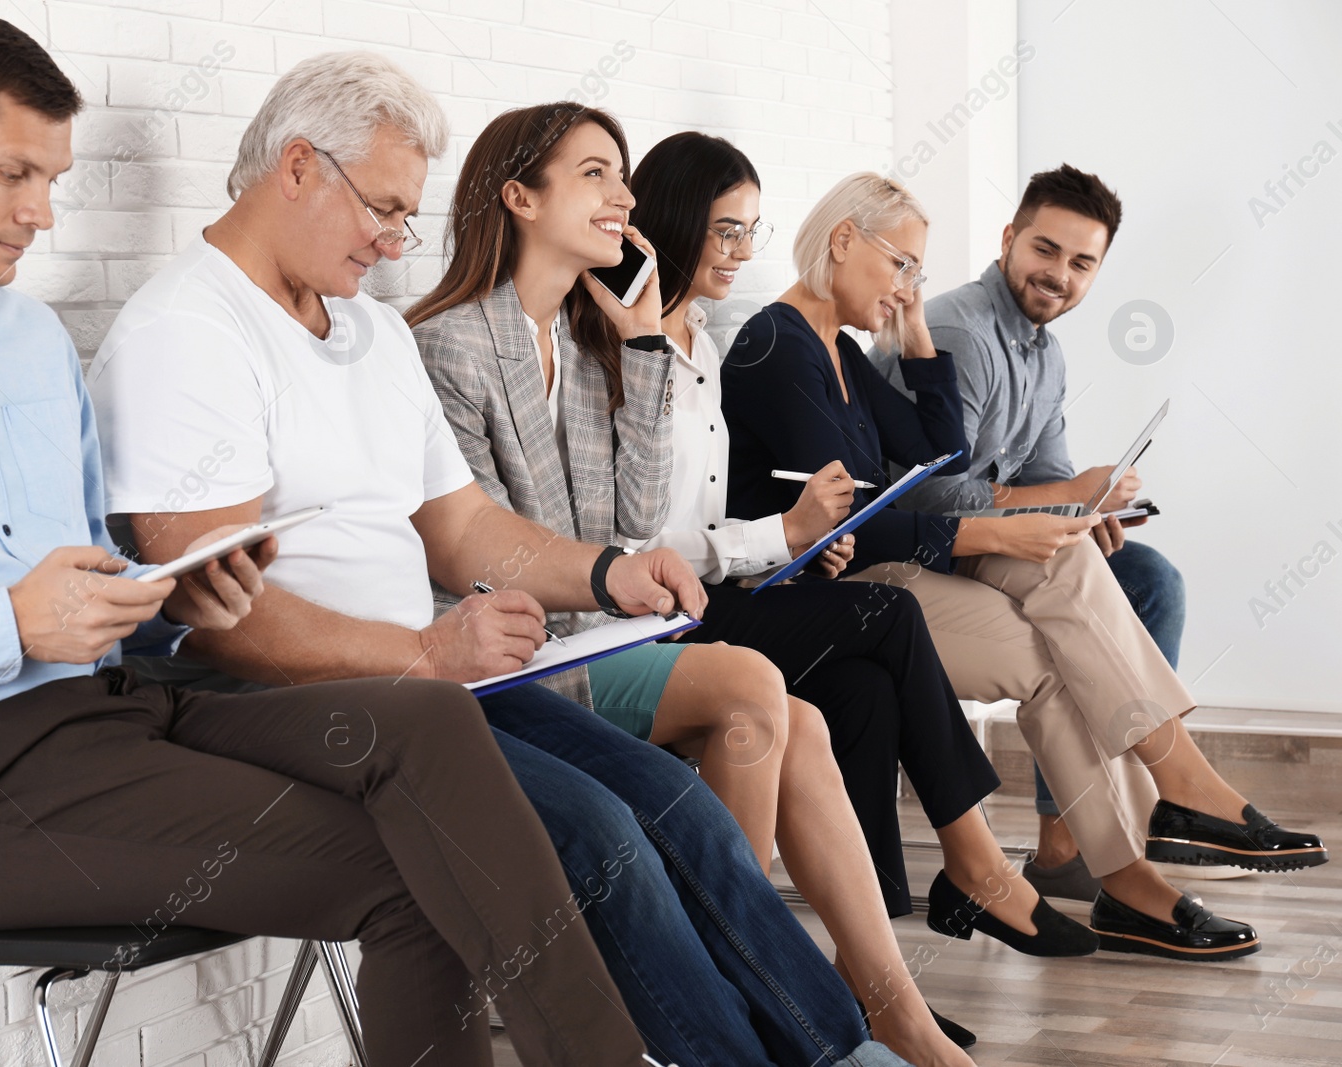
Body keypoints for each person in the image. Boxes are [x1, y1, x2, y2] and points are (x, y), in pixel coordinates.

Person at [0, 14, 674, 1067]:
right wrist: (3, 622)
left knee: (426, 725)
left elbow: (86, 576)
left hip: (111, 718)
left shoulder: (29, 337)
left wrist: (170, 591)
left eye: (52, 178)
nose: (42, 212)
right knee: (425, 871)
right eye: (15, 173)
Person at [88, 52, 910, 1067]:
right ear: (296, 167)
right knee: (599, 838)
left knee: (681, 808)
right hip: (298, 700)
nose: (395, 243)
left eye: (408, 216)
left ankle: (844, 1053)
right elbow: (224, 616)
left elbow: (467, 526)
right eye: (383, 211)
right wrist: (425, 651)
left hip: (437, 679)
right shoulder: (186, 332)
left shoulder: (371, 331)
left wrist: (608, 572)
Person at [404, 113, 1089, 1062]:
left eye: (626, 180)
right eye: (598, 174)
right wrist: (737, 530)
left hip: (600, 629)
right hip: (529, 654)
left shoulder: (588, 333)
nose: (623, 198)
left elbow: (622, 517)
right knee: (773, 682)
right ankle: (794, 992)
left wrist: (642, 345)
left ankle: (885, 1009)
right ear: (520, 198)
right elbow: (512, 550)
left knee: (815, 710)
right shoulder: (456, 345)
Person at [721, 171, 1326, 962]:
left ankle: (1145, 842)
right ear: (843, 242)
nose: (910, 285)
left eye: (918, 271)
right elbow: (846, 526)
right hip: (839, 586)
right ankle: (1152, 834)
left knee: (1071, 617)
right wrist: (998, 534)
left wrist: (912, 336)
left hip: (891, 567)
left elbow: (938, 448)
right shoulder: (778, 345)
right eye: (900, 264)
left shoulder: (837, 347)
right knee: (1057, 648)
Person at [872, 164, 1192, 901]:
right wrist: (1067, 496)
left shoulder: (1045, 352)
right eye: (1045, 251)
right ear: (1010, 238)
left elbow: (1048, 473)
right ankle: (1160, 790)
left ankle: (1065, 842)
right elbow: (944, 497)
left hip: (995, 548)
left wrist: (1092, 507)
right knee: (1077, 603)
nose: (1059, 276)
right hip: (926, 548)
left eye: (1082, 263)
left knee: (1150, 579)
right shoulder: (961, 330)